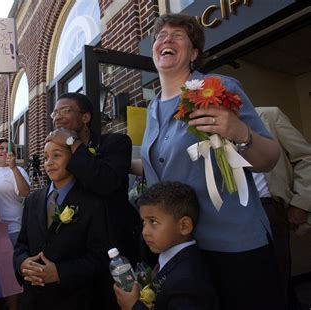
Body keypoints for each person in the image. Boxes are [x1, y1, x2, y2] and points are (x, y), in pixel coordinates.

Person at [131, 14, 282, 310]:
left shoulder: (219, 87)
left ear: (195, 53)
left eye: (177, 35)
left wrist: (240, 132)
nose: (166, 39)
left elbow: (269, 159)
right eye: (161, 35)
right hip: (182, 249)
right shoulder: (151, 108)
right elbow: (160, 169)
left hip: (232, 243)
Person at [46, 92, 140, 308]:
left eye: (65, 110)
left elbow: (105, 182)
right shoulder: (59, 153)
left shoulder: (116, 143)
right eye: (55, 112)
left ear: (86, 117)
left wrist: (72, 142)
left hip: (112, 254)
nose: (57, 117)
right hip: (74, 257)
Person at [13, 139, 107, 309]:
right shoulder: (32, 200)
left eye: (57, 155)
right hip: (32, 299)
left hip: (72, 299)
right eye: (45, 157)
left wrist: (59, 273)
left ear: (73, 158)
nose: (49, 162)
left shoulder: (92, 203)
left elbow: (99, 258)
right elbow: (21, 245)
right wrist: (22, 263)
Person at [114, 182, 218, 310]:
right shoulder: (171, 259)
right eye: (144, 222)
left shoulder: (186, 281)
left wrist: (133, 307)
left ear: (184, 226)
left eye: (153, 221)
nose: (144, 231)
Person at [253, 106, 311, 307]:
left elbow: (307, 158)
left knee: (278, 275)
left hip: (269, 208)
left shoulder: (268, 116)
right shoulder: (208, 131)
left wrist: (301, 202)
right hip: (233, 213)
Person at [0, 138, 30, 310]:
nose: (4, 151)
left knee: (10, 276)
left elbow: (25, 193)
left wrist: (14, 168)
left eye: (7, 148)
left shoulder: (18, 170)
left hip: (12, 229)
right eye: (0, 148)